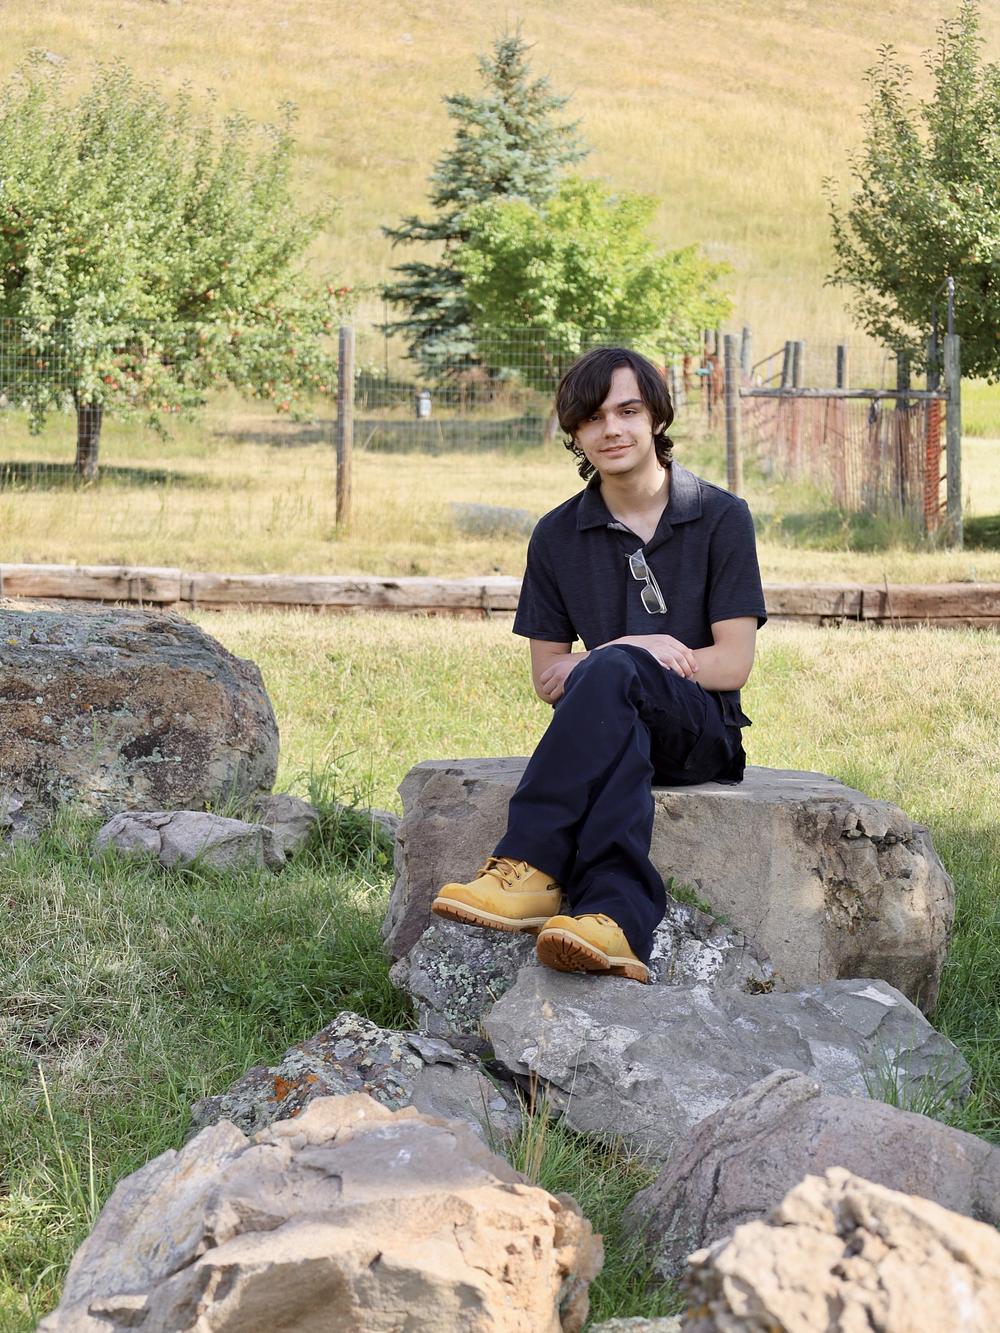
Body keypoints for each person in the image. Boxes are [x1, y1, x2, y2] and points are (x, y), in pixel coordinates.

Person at [431, 346, 767, 983]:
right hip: (609, 725)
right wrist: (631, 647)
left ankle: (532, 865)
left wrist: (617, 657)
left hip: (701, 732)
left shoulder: (721, 516)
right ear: (575, 433)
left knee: (612, 672)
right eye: (592, 418)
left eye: (628, 411)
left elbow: (730, 664)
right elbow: (547, 678)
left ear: (656, 418)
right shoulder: (557, 534)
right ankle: (612, 920)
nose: (611, 429)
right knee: (616, 706)